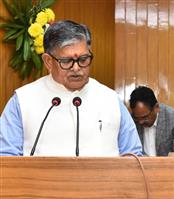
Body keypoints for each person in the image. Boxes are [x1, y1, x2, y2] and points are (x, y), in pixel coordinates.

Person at [0, 20, 142, 156]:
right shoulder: (23, 100)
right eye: (66, 61)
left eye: (83, 59)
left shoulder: (110, 100)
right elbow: (6, 159)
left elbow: (134, 156)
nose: (76, 68)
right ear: (48, 61)